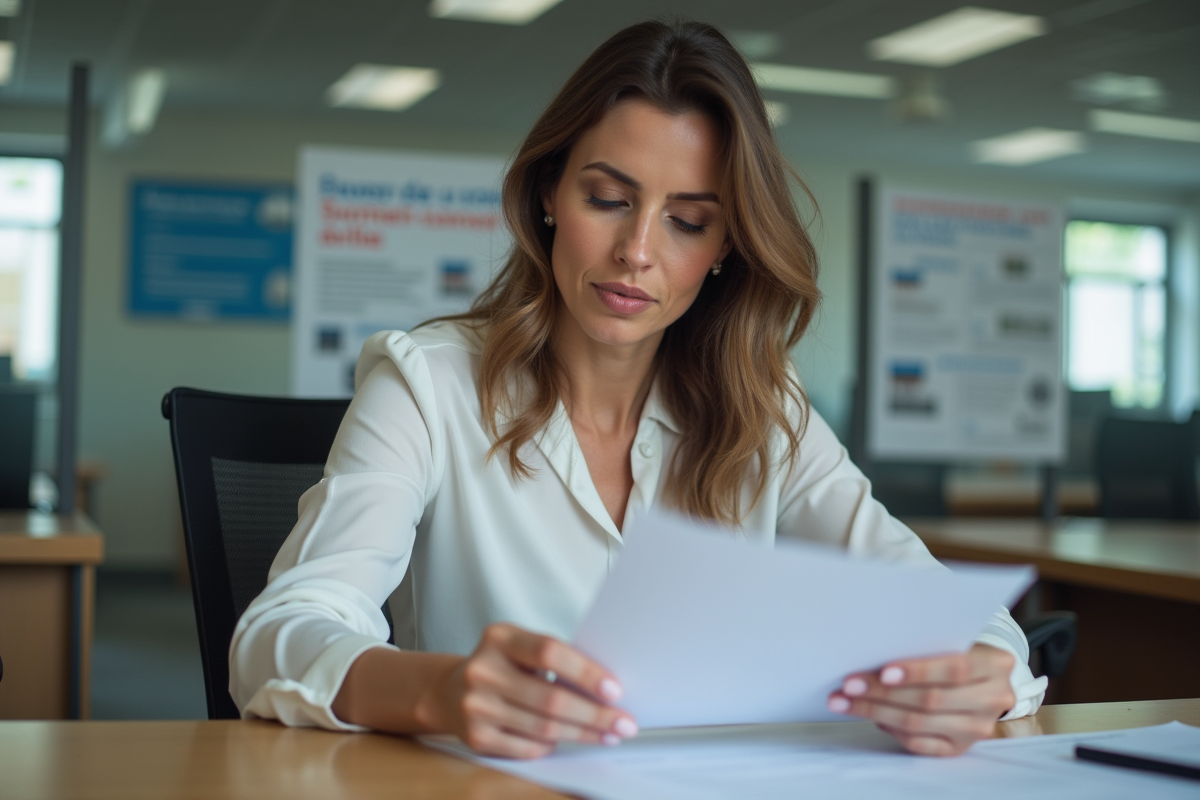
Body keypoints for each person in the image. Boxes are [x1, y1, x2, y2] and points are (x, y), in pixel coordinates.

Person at [230, 19, 1046, 760]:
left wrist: (983, 676)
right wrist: (438, 691)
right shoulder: (427, 383)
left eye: (687, 221)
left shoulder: (763, 406)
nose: (637, 251)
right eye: (609, 200)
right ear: (549, 193)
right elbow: (280, 633)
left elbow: (961, 617)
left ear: (727, 244)